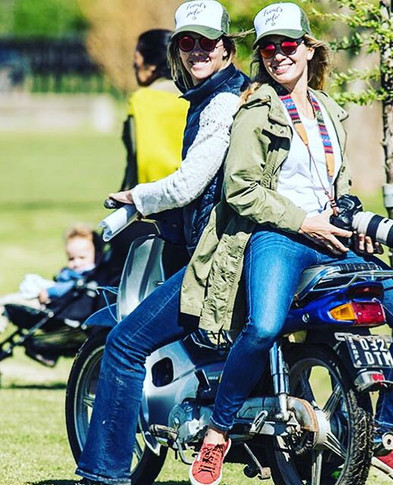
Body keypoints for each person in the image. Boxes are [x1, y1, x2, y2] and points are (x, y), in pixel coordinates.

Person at [181, 4, 393, 485]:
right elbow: (240, 189)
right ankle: (217, 433)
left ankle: (384, 435)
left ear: (307, 48)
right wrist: (303, 222)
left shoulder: (327, 110)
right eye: (268, 49)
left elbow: (336, 183)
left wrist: (352, 218)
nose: (278, 55)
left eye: (287, 45)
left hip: (333, 237)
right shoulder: (255, 111)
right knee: (263, 327)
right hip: (279, 236)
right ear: (260, 56)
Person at [74, 2, 249, 484]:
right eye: (187, 41)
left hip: (218, 257)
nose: (198, 50)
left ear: (227, 49)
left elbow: (191, 182)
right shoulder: (220, 94)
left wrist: (138, 197)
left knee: (125, 343)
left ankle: (104, 473)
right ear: (175, 51)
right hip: (229, 244)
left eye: (208, 42)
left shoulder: (221, 103)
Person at [113, 28, 189, 277]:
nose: (134, 67)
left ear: (151, 65)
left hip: (152, 209)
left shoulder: (142, 100)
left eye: (136, 61)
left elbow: (135, 159)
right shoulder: (197, 96)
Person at [0, 223, 103, 329]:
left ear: (97, 255)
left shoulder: (86, 278)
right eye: (71, 259)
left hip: (51, 307)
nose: (76, 263)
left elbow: (66, 287)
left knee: (5, 303)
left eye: (82, 257)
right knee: (5, 302)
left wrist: (49, 292)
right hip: (55, 305)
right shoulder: (80, 274)